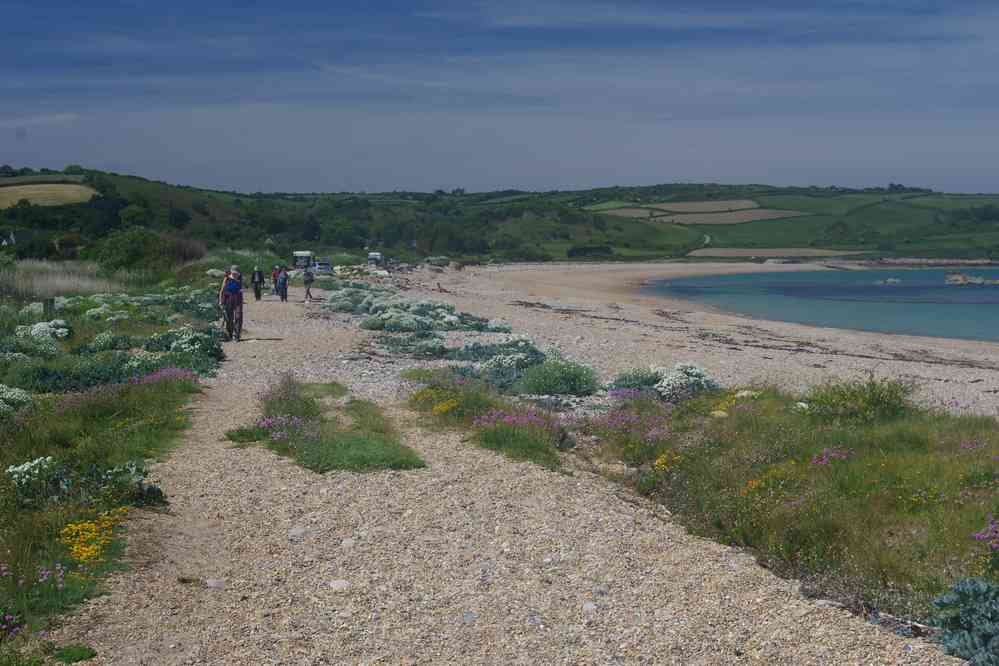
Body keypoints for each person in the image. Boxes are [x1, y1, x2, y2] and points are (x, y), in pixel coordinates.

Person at [218, 265, 243, 342]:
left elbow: (241, 289)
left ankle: (237, 335)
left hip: (238, 300)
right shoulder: (227, 278)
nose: (235, 274)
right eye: (234, 272)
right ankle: (230, 334)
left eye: (236, 273)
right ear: (231, 272)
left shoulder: (239, 279)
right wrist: (221, 301)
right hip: (228, 300)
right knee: (229, 318)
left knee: (238, 316)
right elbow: (222, 291)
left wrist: (241, 291)